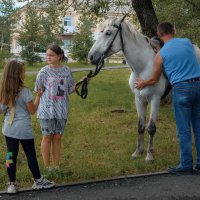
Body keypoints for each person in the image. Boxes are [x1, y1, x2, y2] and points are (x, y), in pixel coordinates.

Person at [135, 22, 200, 174]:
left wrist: (142, 83)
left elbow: (154, 80)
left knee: (183, 129)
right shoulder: (187, 43)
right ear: (174, 30)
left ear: (158, 35)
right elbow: (181, 53)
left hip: (182, 89)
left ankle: (186, 165)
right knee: (198, 127)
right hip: (198, 85)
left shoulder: (160, 55)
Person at [0, 60, 55, 194]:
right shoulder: (25, 91)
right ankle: (38, 180)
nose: (25, 73)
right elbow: (32, 110)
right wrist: (38, 96)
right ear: (18, 74)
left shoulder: (3, 91)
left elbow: (1, 111)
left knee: (10, 155)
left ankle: (12, 184)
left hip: (9, 129)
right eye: (23, 71)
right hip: (23, 129)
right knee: (30, 155)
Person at [34, 44, 88, 170]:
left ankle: (56, 166)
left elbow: (70, 89)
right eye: (47, 55)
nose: (48, 57)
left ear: (60, 56)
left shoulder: (66, 71)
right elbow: (38, 90)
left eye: (51, 55)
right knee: (47, 137)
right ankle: (47, 167)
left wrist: (81, 82)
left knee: (57, 138)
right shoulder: (43, 72)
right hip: (46, 111)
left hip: (61, 110)